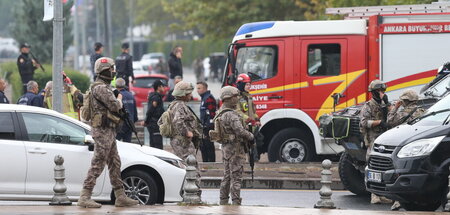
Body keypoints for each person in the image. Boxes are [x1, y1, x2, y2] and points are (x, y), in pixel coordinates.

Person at [78, 57, 138, 208]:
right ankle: (85, 196)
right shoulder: (101, 88)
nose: (113, 72)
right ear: (105, 70)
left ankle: (120, 196)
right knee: (98, 163)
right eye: (111, 69)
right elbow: (114, 106)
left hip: (108, 131)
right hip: (102, 131)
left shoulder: (103, 87)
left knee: (115, 163)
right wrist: (119, 98)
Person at [214, 86, 254, 205]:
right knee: (236, 176)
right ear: (228, 98)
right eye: (235, 96)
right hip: (235, 149)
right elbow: (240, 131)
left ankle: (223, 200)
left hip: (227, 148)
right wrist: (251, 136)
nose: (237, 98)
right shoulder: (231, 115)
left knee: (227, 175)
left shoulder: (220, 112)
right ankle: (236, 201)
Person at [359, 79, 392, 204]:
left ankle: (383, 193)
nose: (381, 93)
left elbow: (393, 115)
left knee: (385, 167)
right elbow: (363, 122)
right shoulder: (368, 106)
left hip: (386, 140)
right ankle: (374, 194)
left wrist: (387, 103)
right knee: (372, 166)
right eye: (378, 91)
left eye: (382, 90)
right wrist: (379, 122)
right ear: (373, 92)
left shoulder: (385, 104)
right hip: (373, 139)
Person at [169, 81, 202, 189]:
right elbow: (178, 121)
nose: (191, 95)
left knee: (183, 167)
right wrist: (187, 132)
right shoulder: (180, 106)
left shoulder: (174, 104)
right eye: (189, 93)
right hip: (184, 143)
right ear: (183, 94)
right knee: (192, 167)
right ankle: (193, 193)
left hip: (179, 141)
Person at [236, 74, 261, 161]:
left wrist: (256, 118)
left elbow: (252, 111)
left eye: (249, 84)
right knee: (242, 147)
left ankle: (253, 163)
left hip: (251, 127)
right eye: (246, 84)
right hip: (242, 126)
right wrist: (247, 118)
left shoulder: (249, 96)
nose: (249, 86)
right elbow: (237, 111)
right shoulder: (236, 97)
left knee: (253, 147)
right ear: (241, 85)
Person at [197, 81, 217, 162]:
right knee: (203, 146)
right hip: (203, 127)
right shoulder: (203, 98)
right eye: (197, 88)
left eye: (199, 88)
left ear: (205, 89)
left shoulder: (209, 98)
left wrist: (208, 126)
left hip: (208, 127)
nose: (197, 90)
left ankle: (211, 163)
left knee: (208, 146)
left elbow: (212, 114)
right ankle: (205, 163)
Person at [144, 80, 165, 149]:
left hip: (153, 123)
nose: (164, 88)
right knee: (158, 146)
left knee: (153, 145)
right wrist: (146, 121)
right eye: (162, 86)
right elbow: (151, 109)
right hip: (155, 124)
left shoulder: (155, 96)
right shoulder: (156, 97)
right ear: (159, 87)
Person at [115, 78, 138, 142]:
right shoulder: (131, 95)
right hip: (130, 124)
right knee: (128, 145)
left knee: (116, 144)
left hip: (120, 125)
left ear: (116, 86)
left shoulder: (117, 96)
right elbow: (135, 112)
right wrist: (133, 121)